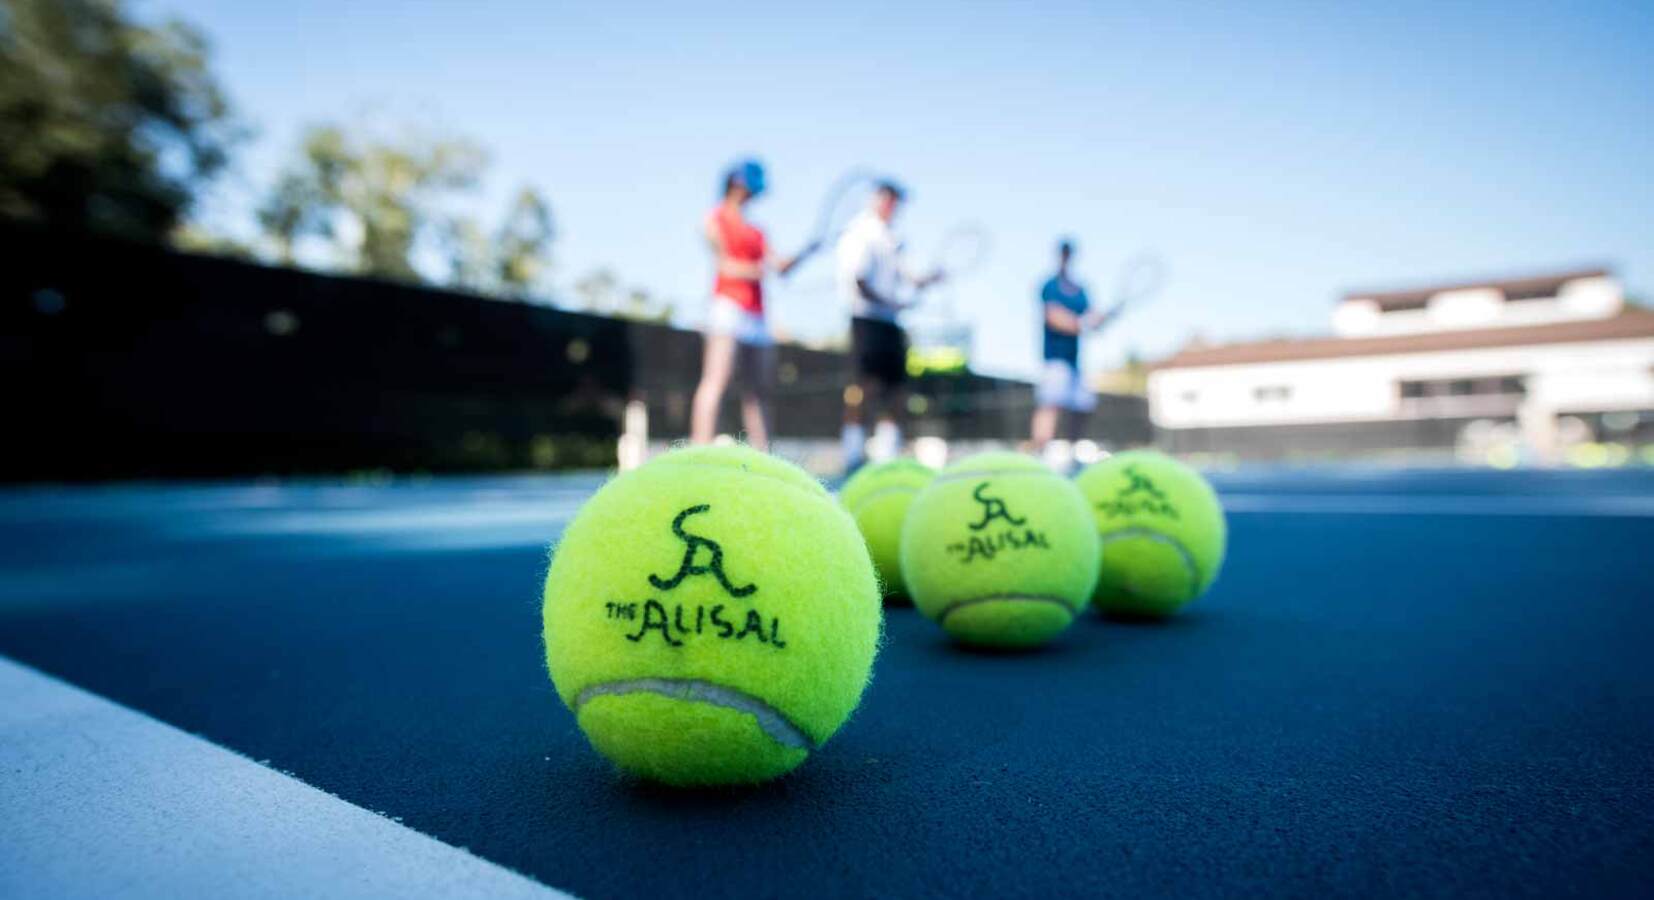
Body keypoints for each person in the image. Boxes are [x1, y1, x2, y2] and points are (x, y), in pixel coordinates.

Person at [689, 159, 816, 450]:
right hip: (727, 308)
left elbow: (779, 266)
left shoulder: (758, 232)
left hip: (757, 314)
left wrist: (803, 254)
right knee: (715, 380)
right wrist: (757, 269)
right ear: (737, 183)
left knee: (758, 391)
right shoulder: (715, 218)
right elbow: (725, 265)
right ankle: (698, 449)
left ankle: (764, 454)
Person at [836, 180, 942, 472]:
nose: (894, 207)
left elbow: (910, 278)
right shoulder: (861, 231)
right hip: (866, 320)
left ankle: (887, 455)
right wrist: (890, 303)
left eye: (897, 202)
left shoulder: (893, 238)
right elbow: (859, 281)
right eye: (890, 199)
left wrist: (929, 279)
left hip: (891, 324)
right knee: (862, 388)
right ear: (878, 199)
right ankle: (853, 455)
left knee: (896, 392)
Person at [1031, 238, 1103, 451]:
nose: (1065, 257)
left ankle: (1074, 454)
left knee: (1083, 406)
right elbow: (1053, 317)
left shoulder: (1081, 291)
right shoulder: (1050, 285)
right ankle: (1039, 452)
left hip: (1075, 363)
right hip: (1055, 360)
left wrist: (1098, 320)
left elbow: (1093, 317)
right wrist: (1081, 323)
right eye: (1063, 253)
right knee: (1050, 405)